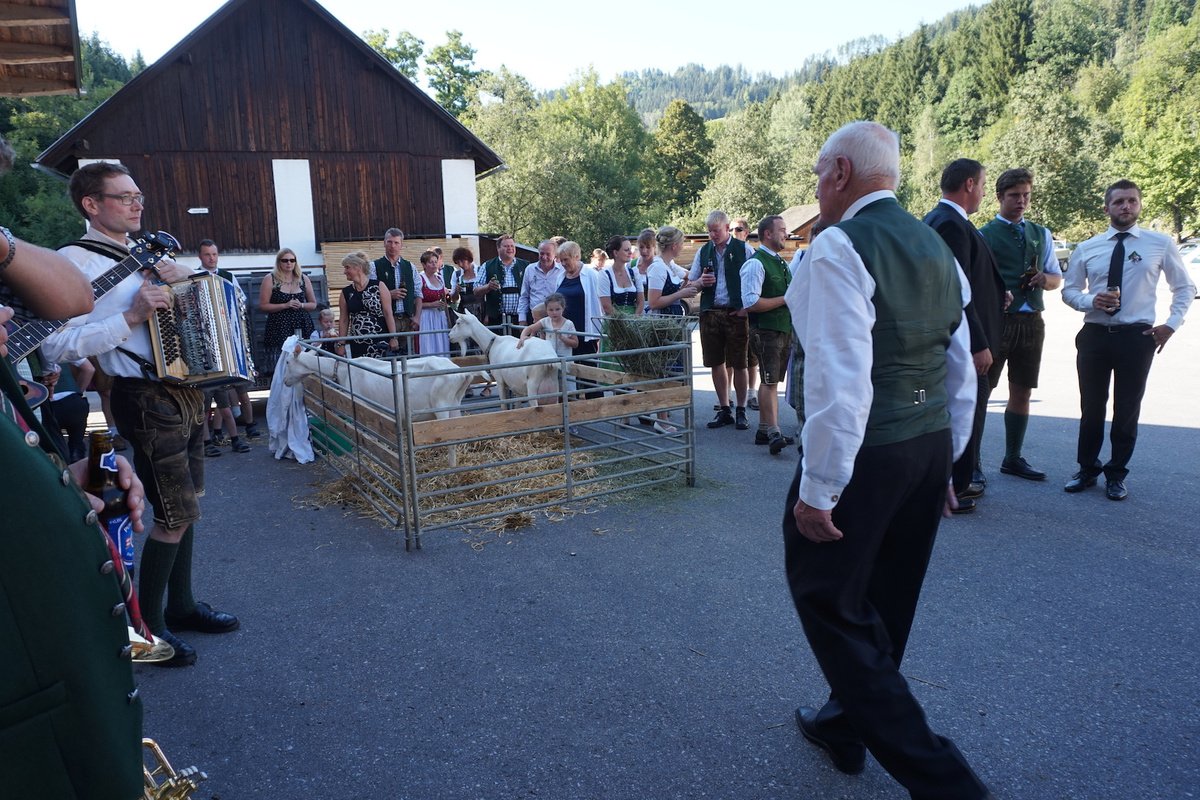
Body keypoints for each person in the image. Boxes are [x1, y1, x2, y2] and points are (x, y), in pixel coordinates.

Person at [783, 121, 991, 800]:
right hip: (925, 445)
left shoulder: (838, 246)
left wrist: (818, 489)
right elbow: (960, 367)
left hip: (868, 451)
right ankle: (844, 726)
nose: (818, 186)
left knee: (830, 601)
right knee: (888, 599)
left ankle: (948, 783)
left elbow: (840, 381)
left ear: (840, 172)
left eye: (820, 173)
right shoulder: (935, 244)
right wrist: (951, 462)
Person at [42, 161, 240, 669]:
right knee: (173, 512)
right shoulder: (70, 263)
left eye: (138, 196)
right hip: (143, 395)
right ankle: (146, 632)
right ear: (91, 204)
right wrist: (129, 315)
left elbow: (195, 306)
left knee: (188, 504)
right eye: (125, 197)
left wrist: (187, 277)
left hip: (185, 387)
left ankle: (181, 606)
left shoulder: (148, 251)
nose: (137, 204)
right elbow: (57, 345)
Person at [1061, 179, 1194, 500]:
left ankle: (1117, 473)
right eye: (1119, 201)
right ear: (1107, 207)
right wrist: (1091, 300)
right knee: (1091, 408)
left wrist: (1171, 324)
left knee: (1127, 409)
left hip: (1137, 337)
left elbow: (1185, 287)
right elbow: (1069, 290)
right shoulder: (1088, 247)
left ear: (1139, 204)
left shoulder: (1159, 244)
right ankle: (1087, 469)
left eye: (1132, 200)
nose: (1126, 206)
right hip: (1094, 336)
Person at [923, 158, 1007, 513]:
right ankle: (956, 485)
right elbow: (956, 290)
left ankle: (955, 481)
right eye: (984, 185)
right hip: (964, 343)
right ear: (970, 184)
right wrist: (977, 344)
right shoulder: (951, 224)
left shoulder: (940, 219)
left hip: (962, 337)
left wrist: (998, 292)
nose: (985, 193)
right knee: (964, 411)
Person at [977, 169, 1062, 481]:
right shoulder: (984, 235)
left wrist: (1044, 279)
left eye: (1026, 195)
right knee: (982, 393)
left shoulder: (1041, 233)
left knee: (1022, 389)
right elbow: (977, 281)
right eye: (1014, 195)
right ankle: (972, 462)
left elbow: (1055, 278)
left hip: (1032, 321)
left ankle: (1013, 457)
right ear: (1000, 197)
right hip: (998, 322)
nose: (1021, 201)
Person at [688, 210, 756, 430]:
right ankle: (725, 408)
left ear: (727, 228)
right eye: (709, 231)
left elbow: (757, 279)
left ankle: (741, 410)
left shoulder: (744, 249)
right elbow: (691, 283)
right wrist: (701, 282)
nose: (712, 235)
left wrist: (747, 308)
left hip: (735, 313)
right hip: (710, 312)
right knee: (715, 362)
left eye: (716, 230)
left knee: (740, 363)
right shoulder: (703, 251)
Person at [740, 214, 794, 454]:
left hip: (781, 329)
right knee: (769, 381)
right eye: (782, 230)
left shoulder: (780, 262)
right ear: (768, 234)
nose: (786, 234)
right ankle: (774, 431)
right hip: (765, 330)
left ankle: (764, 430)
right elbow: (750, 303)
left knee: (771, 381)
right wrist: (785, 299)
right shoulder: (755, 263)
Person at [198, 239, 260, 440]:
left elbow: (241, 301)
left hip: (229, 337)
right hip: (207, 340)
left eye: (214, 254)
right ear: (200, 256)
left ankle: (250, 424)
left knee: (241, 386)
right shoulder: (194, 276)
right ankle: (212, 434)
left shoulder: (228, 276)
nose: (211, 258)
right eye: (207, 254)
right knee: (213, 390)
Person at [337, 250, 399, 358]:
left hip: (380, 341)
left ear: (358, 267)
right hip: (357, 342)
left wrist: (393, 337)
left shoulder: (379, 286)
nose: (344, 272)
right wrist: (341, 344)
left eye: (347, 267)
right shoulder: (346, 293)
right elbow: (344, 320)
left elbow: (388, 313)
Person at [259, 247, 317, 358]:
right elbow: (263, 305)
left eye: (292, 260)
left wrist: (301, 305)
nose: (289, 263)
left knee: (304, 358)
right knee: (281, 358)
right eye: (285, 260)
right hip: (279, 326)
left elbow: (313, 304)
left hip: (302, 324)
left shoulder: (303, 279)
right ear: (279, 262)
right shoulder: (270, 279)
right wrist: (285, 305)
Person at [372, 228, 416, 355]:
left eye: (396, 243)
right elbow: (371, 294)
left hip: (407, 319)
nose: (393, 246)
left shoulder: (410, 266)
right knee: (388, 357)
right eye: (389, 242)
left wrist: (417, 316)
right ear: (384, 243)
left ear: (401, 245)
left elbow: (418, 294)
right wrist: (389, 295)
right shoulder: (374, 266)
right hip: (386, 320)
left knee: (408, 357)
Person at [732, 216, 761, 408]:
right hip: (731, 309)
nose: (734, 233)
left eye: (739, 229)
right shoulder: (726, 250)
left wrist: (746, 308)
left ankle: (752, 393)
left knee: (751, 354)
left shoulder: (750, 252)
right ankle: (726, 397)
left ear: (746, 232)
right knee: (729, 355)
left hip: (748, 310)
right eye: (732, 229)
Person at [478, 233, 528, 328]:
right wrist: (488, 287)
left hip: (520, 319)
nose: (510, 248)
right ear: (498, 248)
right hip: (496, 320)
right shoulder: (487, 266)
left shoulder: (526, 266)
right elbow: (476, 291)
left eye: (512, 246)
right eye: (506, 246)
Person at [517, 291, 578, 357]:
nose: (554, 312)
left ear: (563, 308)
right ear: (546, 310)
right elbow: (530, 328)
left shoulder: (569, 324)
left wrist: (562, 338)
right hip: (549, 358)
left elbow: (575, 344)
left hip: (564, 360)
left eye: (557, 309)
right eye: (551, 310)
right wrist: (522, 337)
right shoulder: (545, 321)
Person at [517, 240, 564, 325]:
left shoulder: (562, 271)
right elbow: (524, 296)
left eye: (548, 254)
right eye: (542, 253)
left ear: (555, 255)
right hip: (534, 318)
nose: (544, 257)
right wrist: (522, 319)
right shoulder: (530, 269)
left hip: (556, 319)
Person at [417, 249, 451, 356]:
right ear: (424, 264)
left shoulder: (439, 278)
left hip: (440, 316)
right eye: (430, 262)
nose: (434, 264)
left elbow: (444, 299)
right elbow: (415, 303)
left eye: (435, 262)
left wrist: (448, 318)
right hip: (426, 317)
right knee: (429, 345)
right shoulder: (420, 278)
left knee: (442, 344)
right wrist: (431, 305)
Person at [602, 236, 643, 318]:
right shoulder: (605, 275)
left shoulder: (634, 272)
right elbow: (606, 306)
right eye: (626, 250)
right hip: (613, 321)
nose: (630, 253)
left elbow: (641, 302)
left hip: (634, 321)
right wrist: (622, 322)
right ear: (616, 253)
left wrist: (634, 319)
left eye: (630, 249)